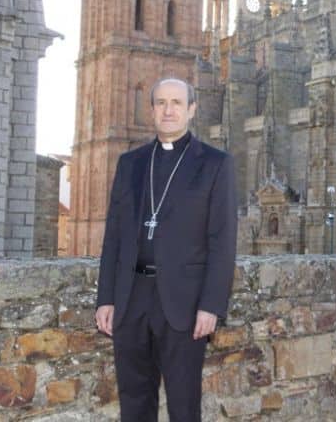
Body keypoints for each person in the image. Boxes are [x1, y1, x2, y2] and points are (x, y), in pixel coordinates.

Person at [95, 77, 237, 421]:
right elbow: (113, 236)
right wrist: (106, 298)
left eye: (176, 103)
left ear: (191, 109)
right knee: (134, 403)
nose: (168, 110)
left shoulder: (215, 164)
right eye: (161, 103)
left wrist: (211, 306)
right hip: (131, 298)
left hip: (184, 303)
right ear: (152, 110)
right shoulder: (131, 163)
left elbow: (222, 241)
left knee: (183, 406)